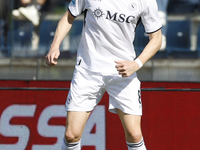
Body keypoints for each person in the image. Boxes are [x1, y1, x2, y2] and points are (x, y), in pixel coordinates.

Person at [46, 0, 162, 149]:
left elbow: (157, 39)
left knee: (135, 135)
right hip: (88, 71)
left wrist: (136, 64)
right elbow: (68, 16)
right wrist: (55, 45)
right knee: (71, 135)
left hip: (123, 72)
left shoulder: (146, 1)